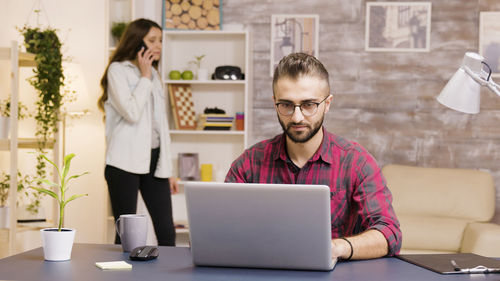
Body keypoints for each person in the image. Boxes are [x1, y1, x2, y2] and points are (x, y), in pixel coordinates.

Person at [225, 53, 402, 260]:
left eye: (309, 105)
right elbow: (217, 228)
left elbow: (390, 234)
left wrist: (338, 248)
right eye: (286, 105)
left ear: (327, 104)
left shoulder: (357, 162)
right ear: (275, 103)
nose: (297, 116)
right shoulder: (249, 163)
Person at [98, 18, 178, 246]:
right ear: (137, 41)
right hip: (123, 162)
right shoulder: (118, 71)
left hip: (154, 160)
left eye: (160, 40)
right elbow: (131, 112)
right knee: (126, 234)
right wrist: (143, 76)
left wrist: (168, 168)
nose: (158, 45)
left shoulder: (154, 75)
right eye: (152, 40)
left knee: (166, 232)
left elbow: (161, 125)